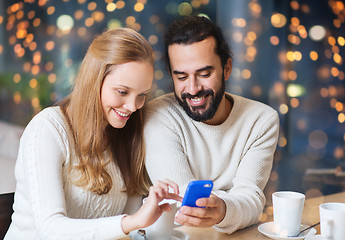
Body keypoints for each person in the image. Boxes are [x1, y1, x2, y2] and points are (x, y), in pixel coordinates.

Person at [5, 28, 182, 240]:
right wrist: (131, 221)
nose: (133, 106)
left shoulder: (125, 134)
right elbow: (50, 229)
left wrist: (154, 212)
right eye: (123, 92)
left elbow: (131, 229)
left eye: (141, 95)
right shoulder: (47, 130)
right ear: (94, 81)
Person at [144, 16, 279, 234]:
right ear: (171, 75)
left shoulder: (261, 120)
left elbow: (253, 201)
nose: (193, 88)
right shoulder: (159, 114)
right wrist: (236, 205)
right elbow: (182, 203)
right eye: (181, 77)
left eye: (204, 74)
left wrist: (224, 209)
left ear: (227, 69)